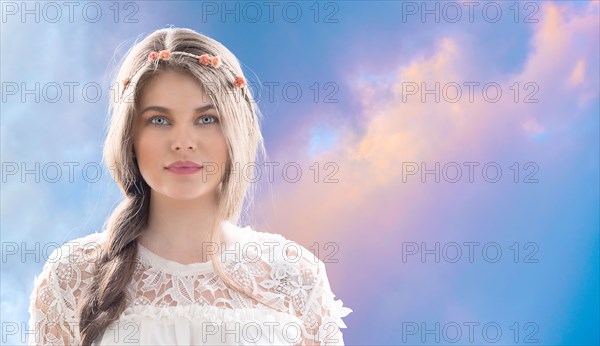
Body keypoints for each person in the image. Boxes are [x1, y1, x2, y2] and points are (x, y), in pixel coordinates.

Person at [27, 27, 352, 345]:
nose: (183, 142)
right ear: (130, 138)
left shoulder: (295, 277)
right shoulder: (71, 277)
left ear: (236, 132)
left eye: (206, 119)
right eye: (159, 120)